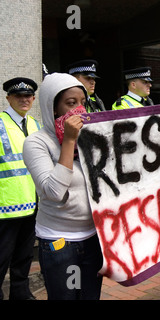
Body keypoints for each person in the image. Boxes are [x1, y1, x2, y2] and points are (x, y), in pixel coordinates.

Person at [23, 73, 103, 300]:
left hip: (92, 241)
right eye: (70, 103)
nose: (79, 109)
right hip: (61, 244)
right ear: (53, 108)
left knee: (88, 297)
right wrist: (69, 141)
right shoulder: (37, 143)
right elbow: (54, 192)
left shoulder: (90, 137)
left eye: (82, 103)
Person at [0, 77, 41, 300]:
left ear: (33, 98)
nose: (24, 99)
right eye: (18, 96)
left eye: (28, 96)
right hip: (5, 207)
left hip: (32, 203)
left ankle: (21, 294)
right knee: (1, 258)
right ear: (8, 98)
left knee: (24, 257)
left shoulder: (36, 124)